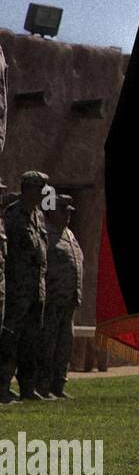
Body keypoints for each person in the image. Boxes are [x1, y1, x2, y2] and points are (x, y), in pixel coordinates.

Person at [0, 172, 50, 402]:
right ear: (26, 188)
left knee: (32, 341)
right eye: (38, 188)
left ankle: (28, 388)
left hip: (36, 290)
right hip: (17, 290)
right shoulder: (13, 215)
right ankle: (3, 386)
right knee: (11, 340)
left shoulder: (38, 215)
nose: (42, 192)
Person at [39, 194, 82, 400]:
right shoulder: (46, 234)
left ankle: (59, 384)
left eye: (69, 212)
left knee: (65, 344)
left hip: (69, 301)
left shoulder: (69, 234)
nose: (67, 215)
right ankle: (44, 385)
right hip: (52, 300)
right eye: (63, 211)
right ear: (52, 211)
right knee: (48, 344)